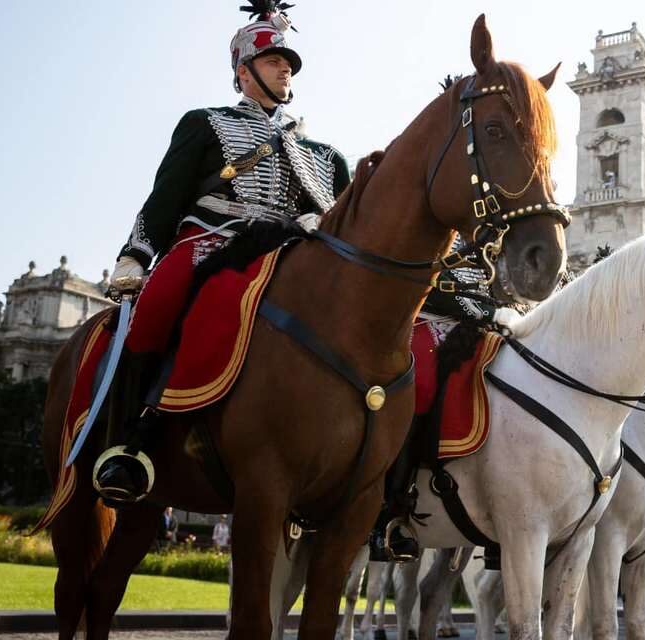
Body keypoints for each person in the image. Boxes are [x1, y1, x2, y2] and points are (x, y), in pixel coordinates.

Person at [93, 1, 350, 505]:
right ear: (243, 72)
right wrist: (136, 255)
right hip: (211, 240)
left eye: (289, 64)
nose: (286, 69)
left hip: (287, 254)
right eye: (276, 60)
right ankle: (128, 442)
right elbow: (164, 198)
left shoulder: (324, 155)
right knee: (155, 309)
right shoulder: (205, 123)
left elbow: (345, 223)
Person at [367, 236, 521, 561]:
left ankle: (509, 509)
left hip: (485, 328)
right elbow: (434, 283)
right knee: (421, 382)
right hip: (429, 318)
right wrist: (489, 311)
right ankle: (389, 512)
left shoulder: (496, 227)